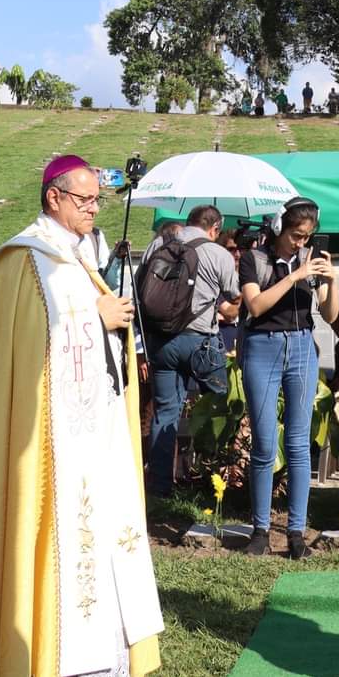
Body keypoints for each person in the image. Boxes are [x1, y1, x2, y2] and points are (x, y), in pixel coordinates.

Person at [0, 155, 161, 677]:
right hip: (49, 440)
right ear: (54, 196)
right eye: (85, 199)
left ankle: (107, 652)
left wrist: (109, 324)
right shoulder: (25, 260)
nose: (95, 208)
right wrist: (97, 319)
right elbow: (29, 346)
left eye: (98, 199)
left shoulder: (76, 256)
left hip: (93, 431)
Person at [239, 198, 338, 559]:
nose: (301, 243)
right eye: (296, 236)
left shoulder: (311, 261)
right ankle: (260, 529)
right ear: (281, 228)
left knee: (298, 444)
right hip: (262, 346)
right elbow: (256, 306)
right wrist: (295, 275)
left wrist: (331, 279)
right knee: (265, 444)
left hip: (301, 348)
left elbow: (329, 314)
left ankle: (296, 532)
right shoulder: (255, 260)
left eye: (307, 237)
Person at [144, 205, 240, 498]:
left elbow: (142, 289)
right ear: (215, 228)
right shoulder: (219, 254)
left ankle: (160, 488)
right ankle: (214, 478)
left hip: (161, 342)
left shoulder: (159, 245)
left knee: (166, 412)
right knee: (222, 403)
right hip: (200, 343)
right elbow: (235, 299)